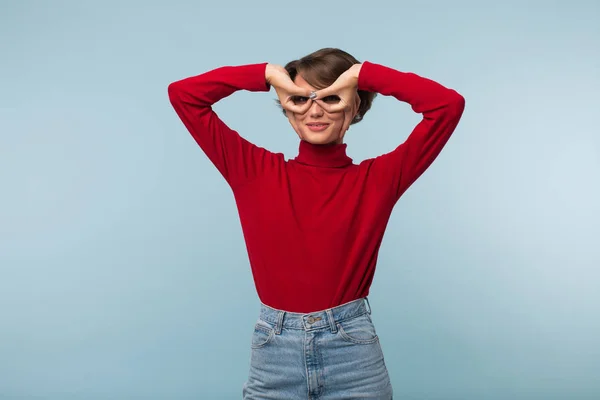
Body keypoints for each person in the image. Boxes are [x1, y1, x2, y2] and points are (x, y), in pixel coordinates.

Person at [168, 47, 465, 399]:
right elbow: (184, 95)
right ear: (287, 109)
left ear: (355, 107)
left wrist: (360, 75)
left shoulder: (378, 179)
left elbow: (446, 106)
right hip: (273, 352)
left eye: (331, 97)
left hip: (353, 354)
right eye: (300, 99)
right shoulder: (253, 171)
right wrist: (267, 75)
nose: (315, 110)